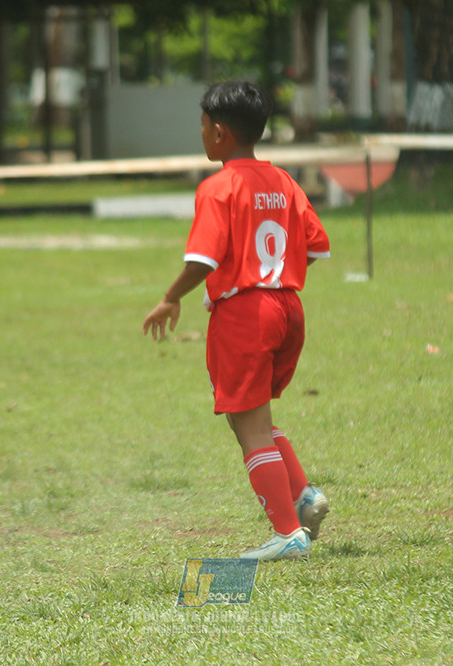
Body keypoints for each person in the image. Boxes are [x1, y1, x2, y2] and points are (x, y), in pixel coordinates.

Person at [142, 80, 331, 561]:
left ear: (220, 132)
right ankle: (304, 496)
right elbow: (315, 247)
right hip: (288, 307)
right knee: (256, 418)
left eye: (203, 126)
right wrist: (271, 278)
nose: (201, 133)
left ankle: (289, 533)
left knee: (248, 425)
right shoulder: (285, 181)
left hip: (246, 315)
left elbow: (203, 260)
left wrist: (170, 297)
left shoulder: (219, 187)